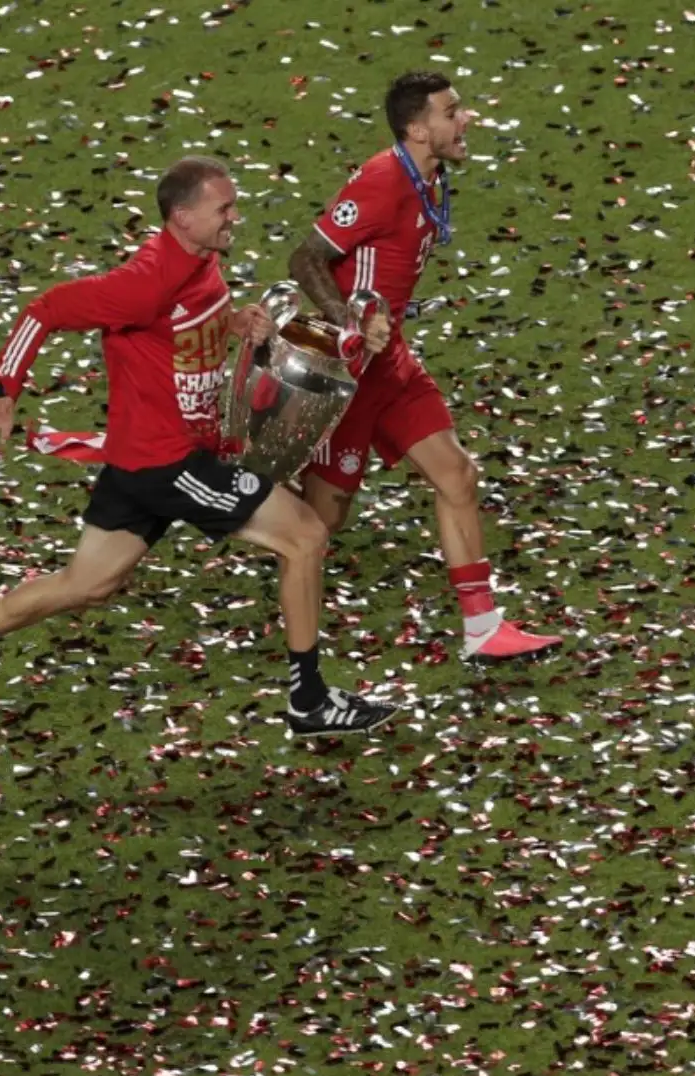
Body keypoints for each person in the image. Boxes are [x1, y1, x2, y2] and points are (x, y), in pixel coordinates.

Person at [0, 156, 397, 740]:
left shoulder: (203, 261)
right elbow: (45, 311)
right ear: (182, 218)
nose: (235, 216)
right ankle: (309, 700)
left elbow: (185, 326)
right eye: (224, 209)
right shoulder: (143, 284)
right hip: (170, 464)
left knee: (86, 584)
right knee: (307, 536)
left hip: (142, 463)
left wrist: (235, 323)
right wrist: (4, 396)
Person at [288, 71, 563, 663]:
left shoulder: (430, 180)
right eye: (451, 112)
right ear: (418, 128)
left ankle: (483, 628)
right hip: (350, 372)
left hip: (393, 362)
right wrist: (349, 320)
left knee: (458, 476)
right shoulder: (383, 181)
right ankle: (218, 496)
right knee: (319, 522)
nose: (465, 120)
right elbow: (305, 257)